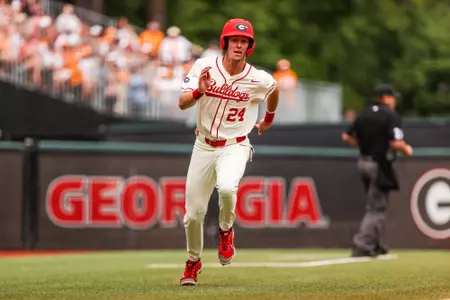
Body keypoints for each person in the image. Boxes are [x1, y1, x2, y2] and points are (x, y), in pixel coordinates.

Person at [178, 18, 279, 285]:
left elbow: (273, 89)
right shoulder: (204, 66)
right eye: (234, 40)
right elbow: (182, 103)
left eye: (244, 41)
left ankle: (225, 231)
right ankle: (193, 262)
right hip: (203, 144)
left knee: (226, 188)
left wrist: (268, 118)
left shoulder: (257, 78)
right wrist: (199, 92)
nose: (238, 45)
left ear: (249, 47)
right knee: (193, 215)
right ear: (225, 43)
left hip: (235, 145)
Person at [341, 83, 413, 258]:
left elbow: (346, 136)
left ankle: (377, 244)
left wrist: (363, 144)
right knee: (377, 208)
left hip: (363, 162)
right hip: (379, 164)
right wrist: (407, 149)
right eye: (392, 97)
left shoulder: (364, 113)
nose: (394, 101)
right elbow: (396, 142)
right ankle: (362, 244)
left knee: (373, 203)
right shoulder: (390, 115)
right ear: (386, 98)